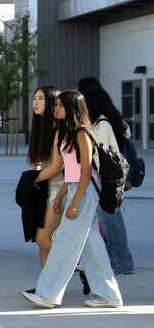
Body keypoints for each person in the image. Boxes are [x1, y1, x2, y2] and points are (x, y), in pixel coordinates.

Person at [23, 90, 123, 308]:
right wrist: (61, 196)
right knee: (91, 247)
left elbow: (86, 172)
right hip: (77, 190)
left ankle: (47, 294)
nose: (55, 108)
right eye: (56, 105)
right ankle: (109, 295)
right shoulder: (66, 133)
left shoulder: (81, 133)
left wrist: (75, 203)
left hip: (85, 193)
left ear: (71, 108)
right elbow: (71, 172)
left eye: (59, 105)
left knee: (65, 243)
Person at [80, 82, 135, 275]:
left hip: (105, 181)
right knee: (108, 222)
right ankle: (115, 261)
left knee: (112, 223)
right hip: (108, 180)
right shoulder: (103, 122)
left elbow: (98, 156)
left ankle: (122, 263)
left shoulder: (102, 124)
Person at [26, 86, 64, 268]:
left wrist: (32, 179)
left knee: (43, 238)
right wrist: (37, 173)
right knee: (41, 243)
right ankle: (45, 289)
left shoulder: (58, 130)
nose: (35, 101)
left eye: (41, 98)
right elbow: (40, 162)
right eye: (35, 98)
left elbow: (58, 166)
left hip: (59, 191)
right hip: (45, 190)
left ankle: (76, 265)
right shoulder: (41, 129)